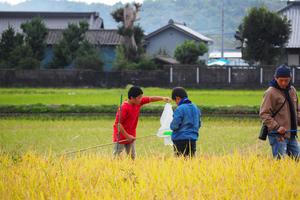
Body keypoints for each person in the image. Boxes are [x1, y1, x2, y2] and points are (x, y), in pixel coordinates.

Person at [113, 86, 171, 159]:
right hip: (120, 136)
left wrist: (162, 98)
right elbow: (118, 124)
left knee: (132, 156)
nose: (141, 99)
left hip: (131, 135)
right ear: (132, 98)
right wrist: (127, 136)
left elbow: (150, 99)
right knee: (117, 156)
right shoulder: (124, 108)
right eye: (139, 97)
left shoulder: (138, 102)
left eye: (141, 97)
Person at [260, 64, 300, 160]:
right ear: (275, 78)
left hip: (291, 135)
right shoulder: (270, 92)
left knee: (298, 159)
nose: (283, 83)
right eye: (281, 80)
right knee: (279, 162)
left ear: (290, 78)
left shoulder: (292, 90)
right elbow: (264, 114)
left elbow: (297, 110)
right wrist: (277, 127)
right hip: (278, 136)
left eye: (286, 80)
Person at [170, 87, 201, 157]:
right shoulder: (195, 108)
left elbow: (174, 126)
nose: (176, 103)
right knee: (190, 163)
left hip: (180, 140)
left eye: (175, 101)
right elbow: (199, 124)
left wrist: (170, 126)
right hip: (193, 140)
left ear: (177, 98)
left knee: (180, 164)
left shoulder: (180, 109)